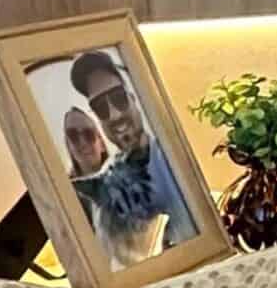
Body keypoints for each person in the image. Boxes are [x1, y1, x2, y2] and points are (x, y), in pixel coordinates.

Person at [64, 49, 198, 266]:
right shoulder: (105, 186)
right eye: (101, 107)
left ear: (133, 98)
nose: (115, 115)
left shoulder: (171, 153)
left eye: (119, 98)